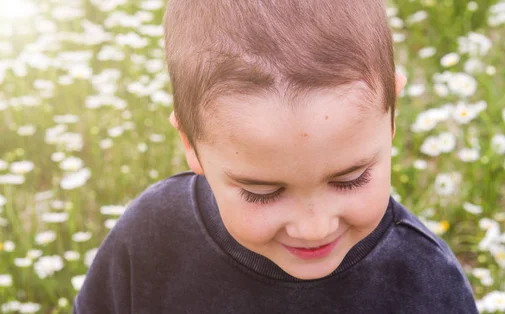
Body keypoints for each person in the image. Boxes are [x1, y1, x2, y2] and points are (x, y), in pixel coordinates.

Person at [73, 0, 479, 313]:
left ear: (391, 116)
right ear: (190, 144)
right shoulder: (150, 239)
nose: (314, 227)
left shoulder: (427, 285)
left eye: (350, 178)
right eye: (263, 192)